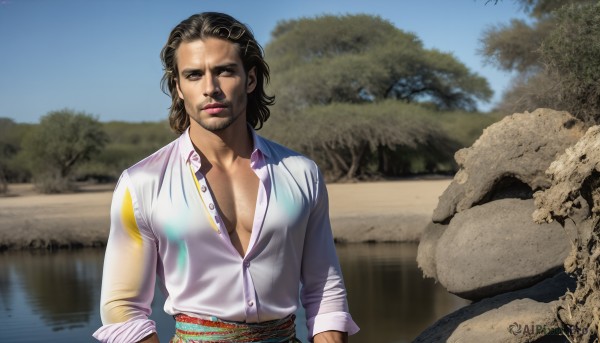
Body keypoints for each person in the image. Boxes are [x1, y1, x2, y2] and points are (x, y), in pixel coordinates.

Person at [93, 12, 359, 343]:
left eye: (224, 71)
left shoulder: (302, 173)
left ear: (249, 79)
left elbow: (325, 288)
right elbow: (123, 307)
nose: (210, 88)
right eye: (193, 75)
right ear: (178, 87)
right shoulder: (142, 183)